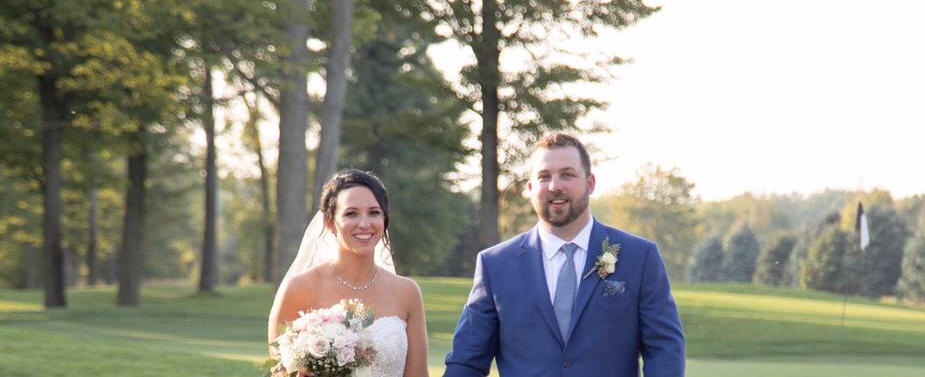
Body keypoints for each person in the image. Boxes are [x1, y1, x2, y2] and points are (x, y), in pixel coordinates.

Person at [444, 132, 685, 377]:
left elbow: (664, 350)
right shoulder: (495, 265)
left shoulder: (640, 257)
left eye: (567, 175)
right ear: (530, 188)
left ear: (590, 183)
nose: (555, 186)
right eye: (544, 177)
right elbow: (467, 361)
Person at [268, 169, 429, 377]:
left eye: (374, 212)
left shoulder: (407, 292)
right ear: (329, 222)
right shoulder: (299, 288)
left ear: (385, 219)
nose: (364, 223)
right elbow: (280, 373)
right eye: (351, 213)